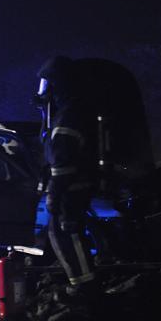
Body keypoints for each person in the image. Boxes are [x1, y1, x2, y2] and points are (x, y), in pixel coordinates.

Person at [35, 56, 98, 296]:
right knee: (65, 232)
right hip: (74, 186)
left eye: (46, 84)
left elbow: (62, 159)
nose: (43, 91)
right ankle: (83, 282)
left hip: (71, 188)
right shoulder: (70, 111)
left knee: (66, 233)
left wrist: (54, 191)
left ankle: (84, 286)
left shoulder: (69, 115)